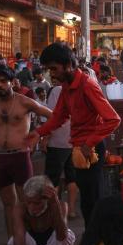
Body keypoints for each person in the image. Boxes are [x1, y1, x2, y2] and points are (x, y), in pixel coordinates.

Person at [26, 43, 121, 226]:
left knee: (92, 199)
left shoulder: (87, 85)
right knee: (86, 199)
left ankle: (96, 241)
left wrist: (89, 143)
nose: (51, 74)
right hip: (79, 148)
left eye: (54, 69)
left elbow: (113, 119)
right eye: (48, 70)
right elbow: (59, 117)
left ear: (68, 65)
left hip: (90, 149)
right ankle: (92, 239)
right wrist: (38, 133)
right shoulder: (66, 86)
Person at [0, 65, 52, 245]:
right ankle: (12, 243)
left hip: (20, 156)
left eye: (3, 81)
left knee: (28, 201)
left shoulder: (24, 102)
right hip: (0, 157)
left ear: (12, 82)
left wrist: (42, 135)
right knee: (7, 203)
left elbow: (52, 116)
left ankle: (32, 242)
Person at [43, 80, 79, 219]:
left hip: (58, 141)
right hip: (74, 140)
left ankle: (55, 211)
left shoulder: (56, 91)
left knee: (53, 179)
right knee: (72, 177)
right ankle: (71, 210)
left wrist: (45, 138)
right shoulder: (76, 90)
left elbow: (52, 117)